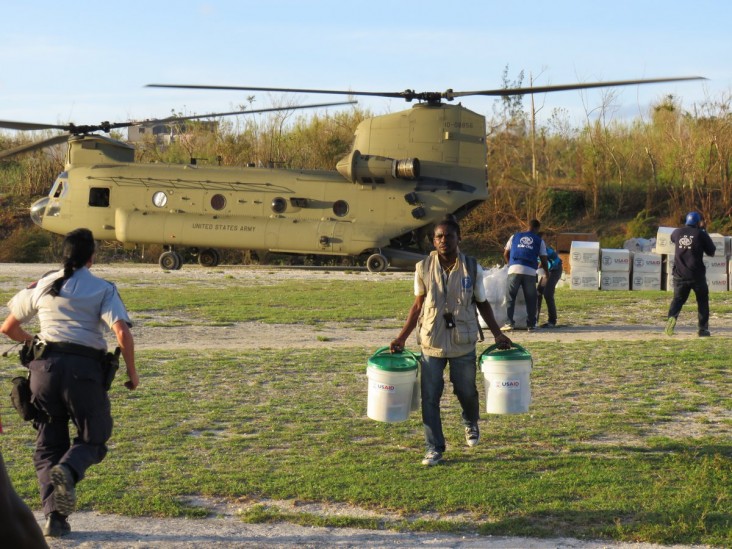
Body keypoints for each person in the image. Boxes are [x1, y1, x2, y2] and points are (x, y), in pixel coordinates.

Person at [0, 228, 138, 538]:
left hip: (43, 373)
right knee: (93, 438)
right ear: (92, 257)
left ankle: (55, 518)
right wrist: (132, 372)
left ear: (63, 254)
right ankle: (70, 470)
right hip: (84, 373)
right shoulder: (102, 288)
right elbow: (122, 334)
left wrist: (33, 341)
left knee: (49, 447)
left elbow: (8, 328)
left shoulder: (44, 283)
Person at [390, 216, 512, 466]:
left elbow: (482, 302)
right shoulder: (422, 267)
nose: (444, 240)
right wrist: (401, 337)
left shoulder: (472, 267)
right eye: (439, 236)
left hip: (463, 341)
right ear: (433, 241)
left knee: (466, 390)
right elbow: (417, 306)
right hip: (431, 341)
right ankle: (434, 447)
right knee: (430, 396)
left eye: (449, 236)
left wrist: (498, 332)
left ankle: (470, 422)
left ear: (459, 238)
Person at [665, 212, 716, 337]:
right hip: (696, 275)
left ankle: (671, 319)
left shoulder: (677, 232)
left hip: (679, 274)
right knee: (702, 301)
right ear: (698, 222)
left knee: (677, 300)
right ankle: (702, 329)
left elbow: (672, 238)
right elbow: (712, 251)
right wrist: (704, 232)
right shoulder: (701, 234)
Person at [502, 219, 549, 331]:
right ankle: (531, 324)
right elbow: (544, 259)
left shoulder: (514, 236)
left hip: (514, 269)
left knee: (510, 297)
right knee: (531, 299)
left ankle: (509, 323)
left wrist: (510, 264)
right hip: (529, 271)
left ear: (527, 226)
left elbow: (505, 253)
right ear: (537, 229)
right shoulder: (539, 241)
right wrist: (546, 272)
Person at [537, 243, 563, 328]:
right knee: (538, 293)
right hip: (546, 269)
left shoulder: (543, 248)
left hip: (554, 269)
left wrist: (538, 268)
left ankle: (552, 320)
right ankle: (534, 319)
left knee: (548, 294)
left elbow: (544, 262)